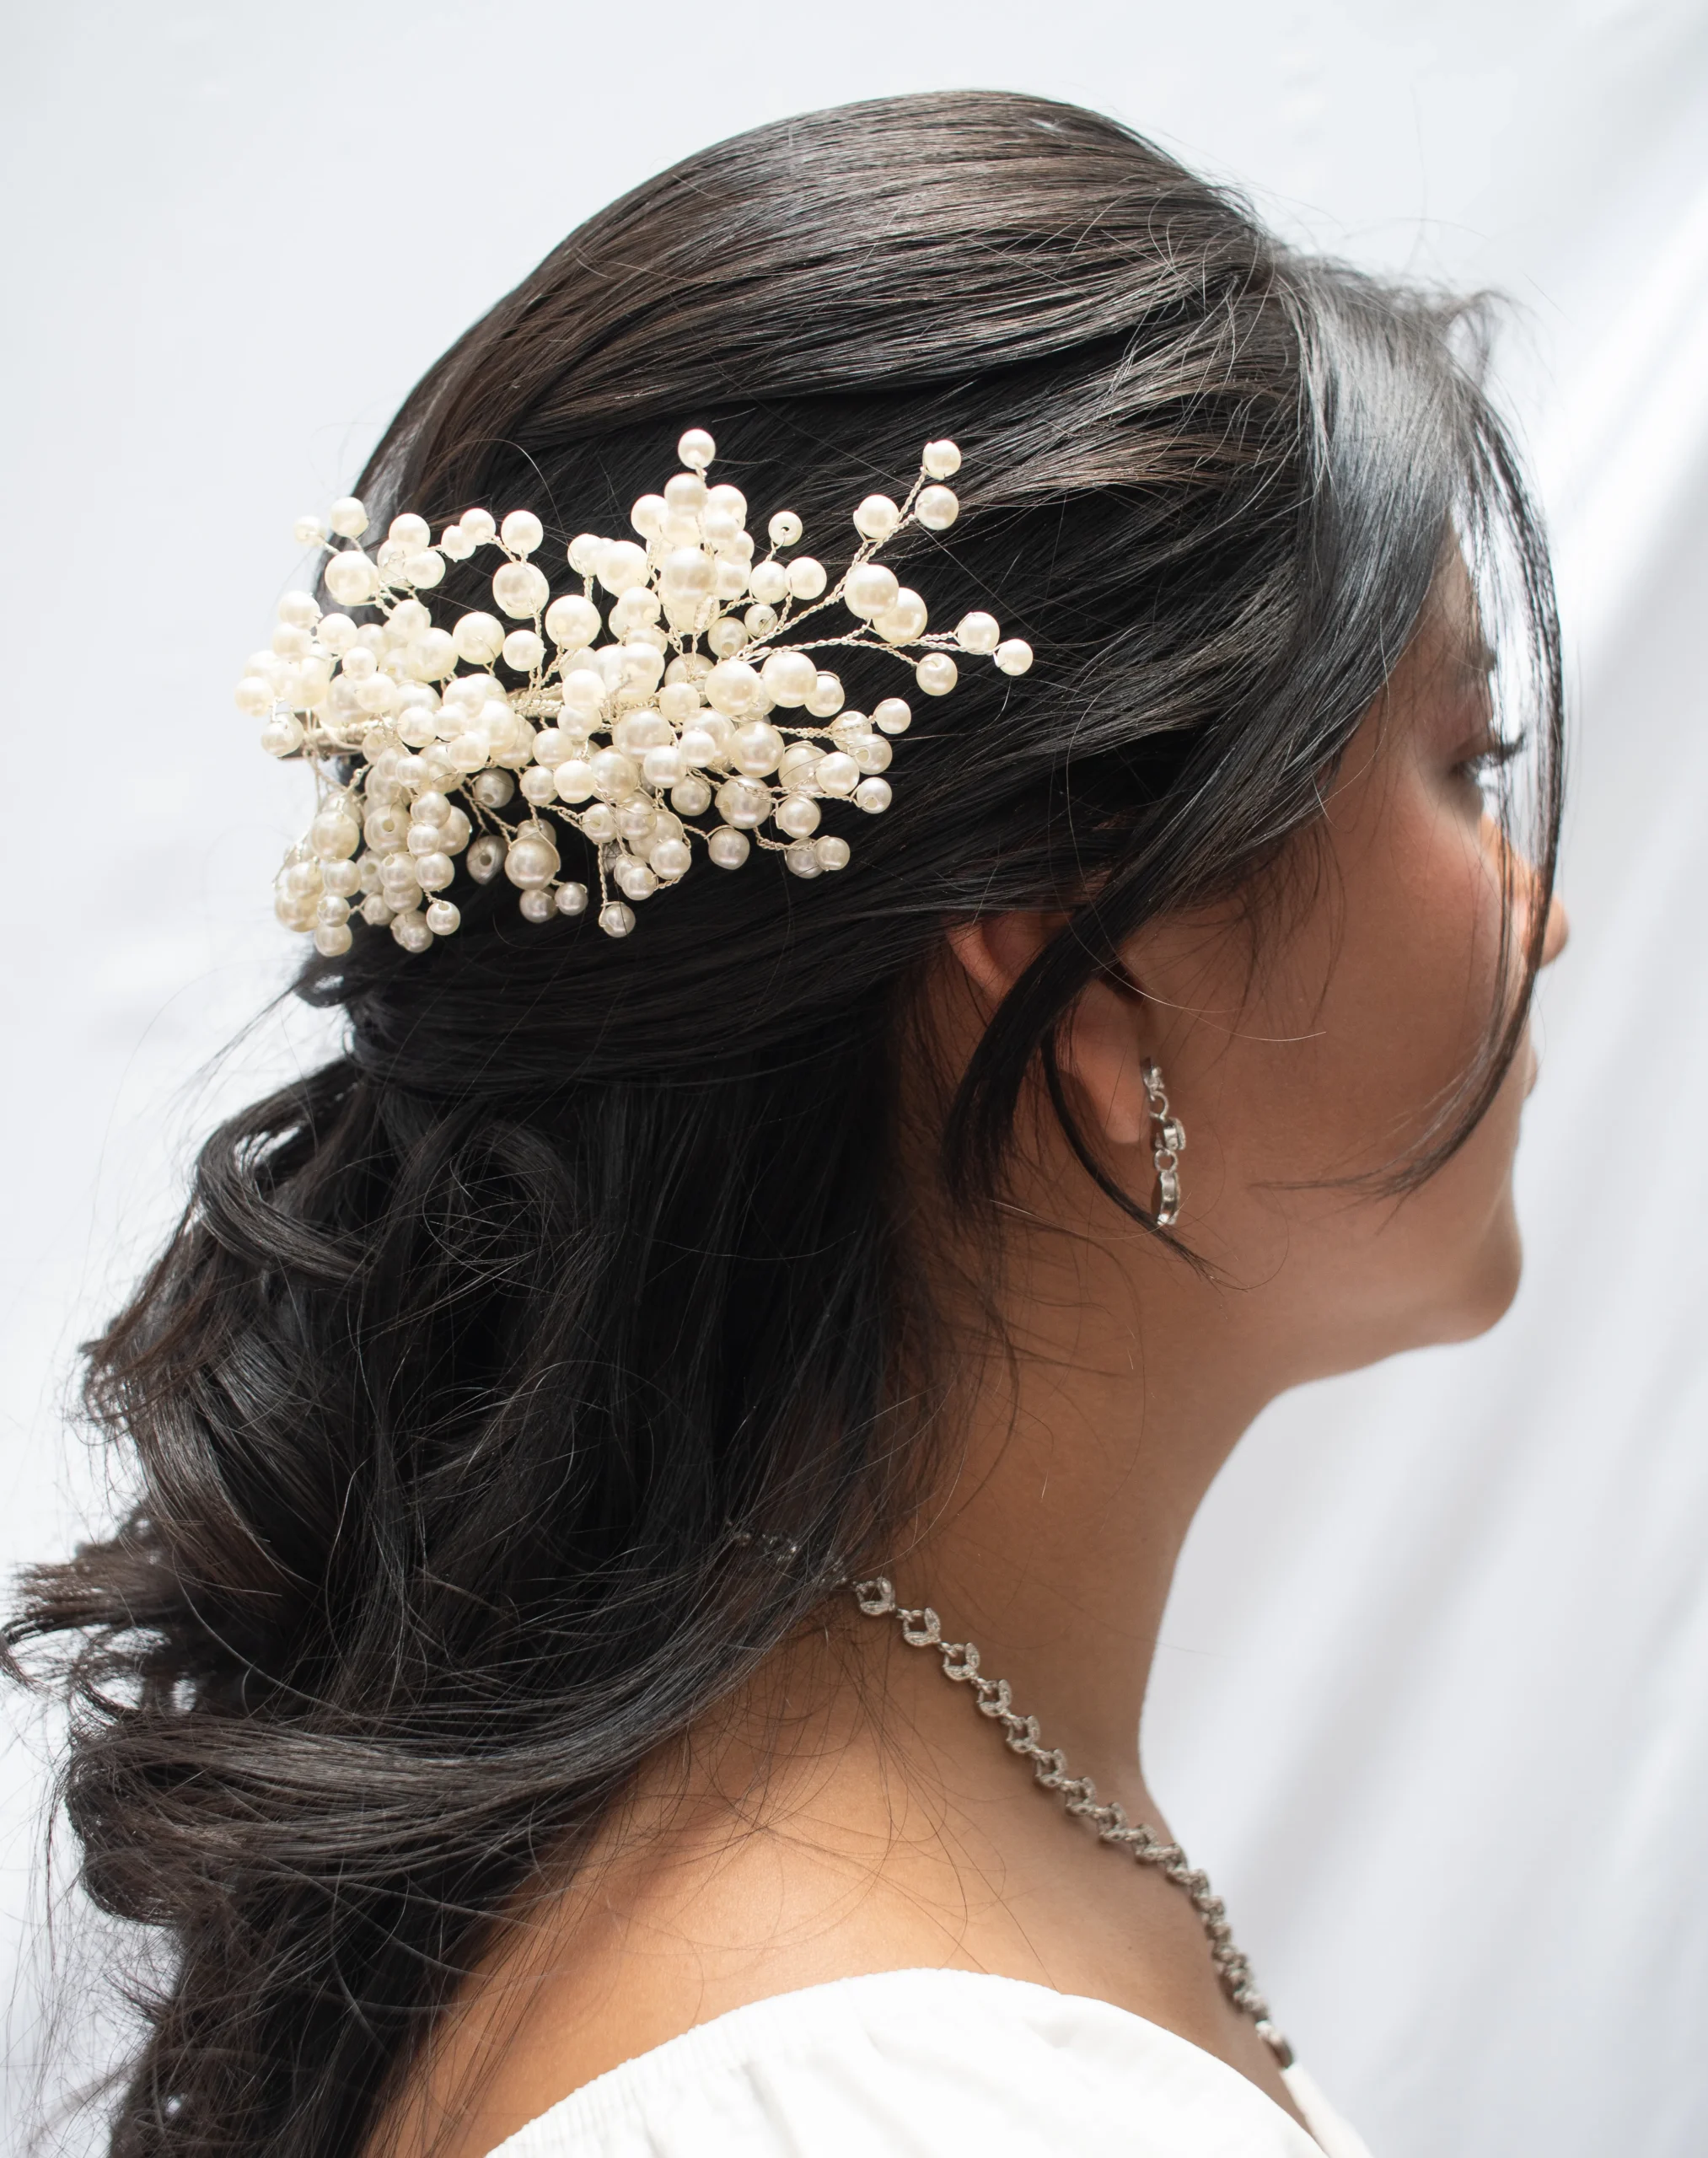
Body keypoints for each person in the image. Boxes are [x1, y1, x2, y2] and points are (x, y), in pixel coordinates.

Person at [5, 89, 1567, 2158]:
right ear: (1090, 980)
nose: (1543, 914)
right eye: (1463, 758)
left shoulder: (832, 1882)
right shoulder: (890, 2100)